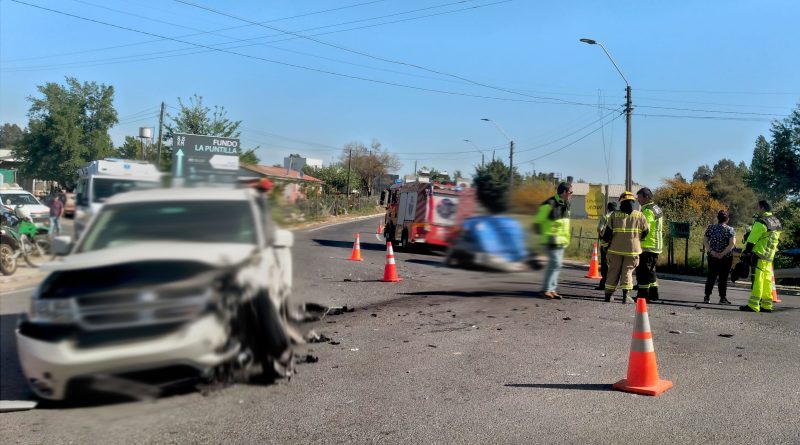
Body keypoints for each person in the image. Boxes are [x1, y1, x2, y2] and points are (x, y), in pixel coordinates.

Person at [601, 191, 649, 303]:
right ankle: (626, 296)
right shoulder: (640, 215)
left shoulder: (614, 215)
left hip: (615, 250)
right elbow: (646, 232)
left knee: (613, 271)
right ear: (633, 202)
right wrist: (637, 239)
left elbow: (607, 234)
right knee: (627, 272)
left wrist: (604, 245)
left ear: (621, 203)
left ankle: (608, 295)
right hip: (632, 250)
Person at [740, 200, 782, 313]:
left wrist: (745, 253)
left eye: (758, 207)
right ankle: (766, 305)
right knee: (767, 280)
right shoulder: (776, 221)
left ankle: (753, 305)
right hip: (769, 255)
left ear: (762, 208)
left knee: (758, 279)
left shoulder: (761, 221)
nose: (757, 209)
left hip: (759, 254)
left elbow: (752, 239)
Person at [534, 182, 572, 299]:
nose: (571, 194)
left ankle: (552, 289)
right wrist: (545, 236)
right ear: (564, 192)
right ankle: (546, 290)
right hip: (551, 239)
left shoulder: (566, 204)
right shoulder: (549, 203)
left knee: (557, 265)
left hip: (561, 240)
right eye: (570, 192)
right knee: (554, 264)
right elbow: (538, 221)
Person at [635, 187, 663, 301]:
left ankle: (642, 295)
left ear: (646, 197)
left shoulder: (647, 211)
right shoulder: (656, 208)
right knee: (651, 272)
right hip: (655, 245)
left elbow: (645, 229)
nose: (638, 199)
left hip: (647, 246)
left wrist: (637, 240)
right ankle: (653, 294)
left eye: (639, 197)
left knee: (643, 272)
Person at [703, 210, 736, 304]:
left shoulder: (711, 228)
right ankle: (722, 298)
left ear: (718, 218)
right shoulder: (730, 229)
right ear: (727, 219)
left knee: (711, 276)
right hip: (726, 257)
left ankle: (707, 296)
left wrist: (711, 251)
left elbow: (705, 241)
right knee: (723, 278)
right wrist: (722, 253)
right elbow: (732, 244)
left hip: (712, 256)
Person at [596, 201, 618, 290]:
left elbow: (599, 229)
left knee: (605, 264)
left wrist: (602, 237)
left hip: (606, 244)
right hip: (617, 245)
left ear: (608, 208)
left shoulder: (606, 216)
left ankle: (604, 284)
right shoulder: (618, 217)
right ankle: (613, 284)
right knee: (615, 265)